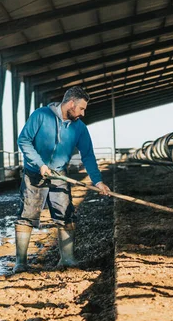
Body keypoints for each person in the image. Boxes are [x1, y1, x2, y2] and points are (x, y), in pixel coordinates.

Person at [13, 86, 110, 273]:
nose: (83, 113)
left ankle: (67, 259)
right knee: (26, 216)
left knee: (65, 215)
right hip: (34, 173)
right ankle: (21, 263)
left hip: (59, 175)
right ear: (71, 103)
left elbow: (88, 155)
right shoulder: (41, 115)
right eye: (81, 108)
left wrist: (97, 181)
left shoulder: (80, 128)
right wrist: (40, 164)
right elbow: (23, 140)